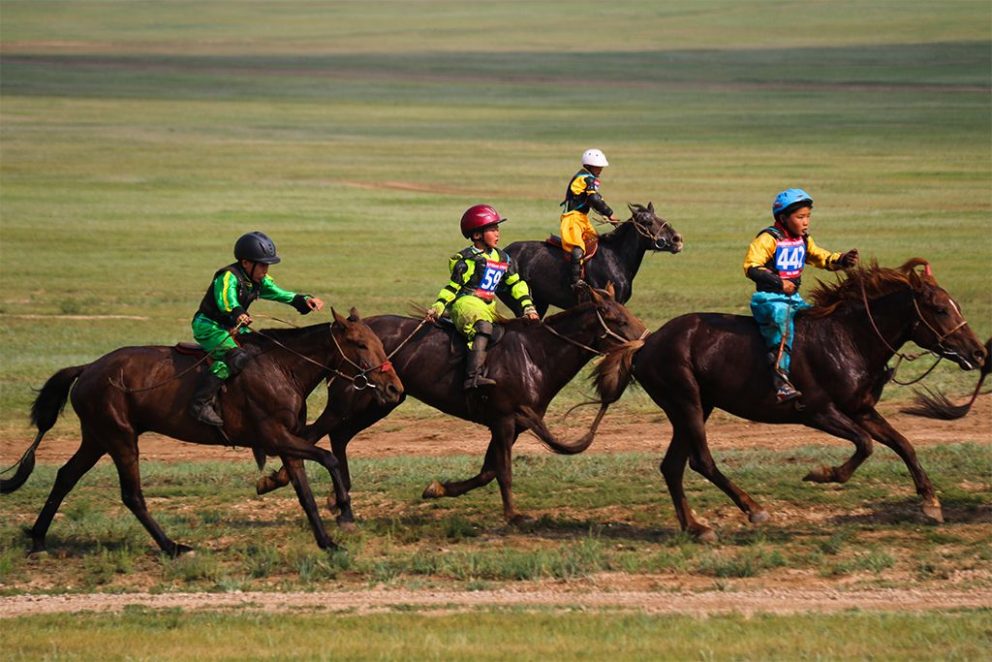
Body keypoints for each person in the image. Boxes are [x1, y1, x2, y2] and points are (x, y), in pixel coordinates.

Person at [190, 231, 325, 427]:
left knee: (260, 351)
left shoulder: (259, 280)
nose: (266, 269)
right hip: (209, 326)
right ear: (246, 263)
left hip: (232, 327)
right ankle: (200, 404)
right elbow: (226, 300)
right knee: (235, 357)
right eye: (262, 264)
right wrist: (238, 313)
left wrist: (304, 300)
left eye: (267, 264)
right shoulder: (228, 276)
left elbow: (281, 294)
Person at [743, 188, 859, 403]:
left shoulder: (803, 239)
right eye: (800, 217)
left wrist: (842, 259)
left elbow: (820, 257)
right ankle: (780, 382)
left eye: (808, 217)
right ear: (783, 218)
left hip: (793, 300)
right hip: (769, 300)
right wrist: (779, 282)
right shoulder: (768, 238)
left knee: (820, 323)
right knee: (782, 325)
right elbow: (751, 267)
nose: (805, 222)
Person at [426, 204, 539, 389]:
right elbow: (453, 287)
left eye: (497, 229)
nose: (497, 234)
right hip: (466, 303)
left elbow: (516, 284)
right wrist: (438, 306)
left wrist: (528, 306)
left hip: (488, 306)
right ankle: (472, 377)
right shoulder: (468, 259)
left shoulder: (503, 258)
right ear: (477, 234)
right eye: (492, 229)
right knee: (483, 328)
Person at [559, 148, 622, 288]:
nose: (600, 170)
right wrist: (609, 213)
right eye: (597, 167)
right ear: (588, 166)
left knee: (595, 244)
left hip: (582, 218)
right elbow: (593, 198)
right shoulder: (585, 178)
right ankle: (575, 283)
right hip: (572, 218)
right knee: (578, 249)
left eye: (601, 167)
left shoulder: (589, 178)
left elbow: (592, 199)